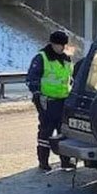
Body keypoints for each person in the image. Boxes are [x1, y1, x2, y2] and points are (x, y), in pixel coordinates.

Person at [26, 30, 74, 171]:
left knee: (63, 132)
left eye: (64, 45)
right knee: (46, 131)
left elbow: (69, 79)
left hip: (63, 100)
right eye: (60, 45)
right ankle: (43, 161)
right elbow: (32, 78)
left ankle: (65, 161)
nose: (62, 47)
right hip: (47, 101)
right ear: (52, 44)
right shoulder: (41, 58)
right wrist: (37, 95)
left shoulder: (66, 59)